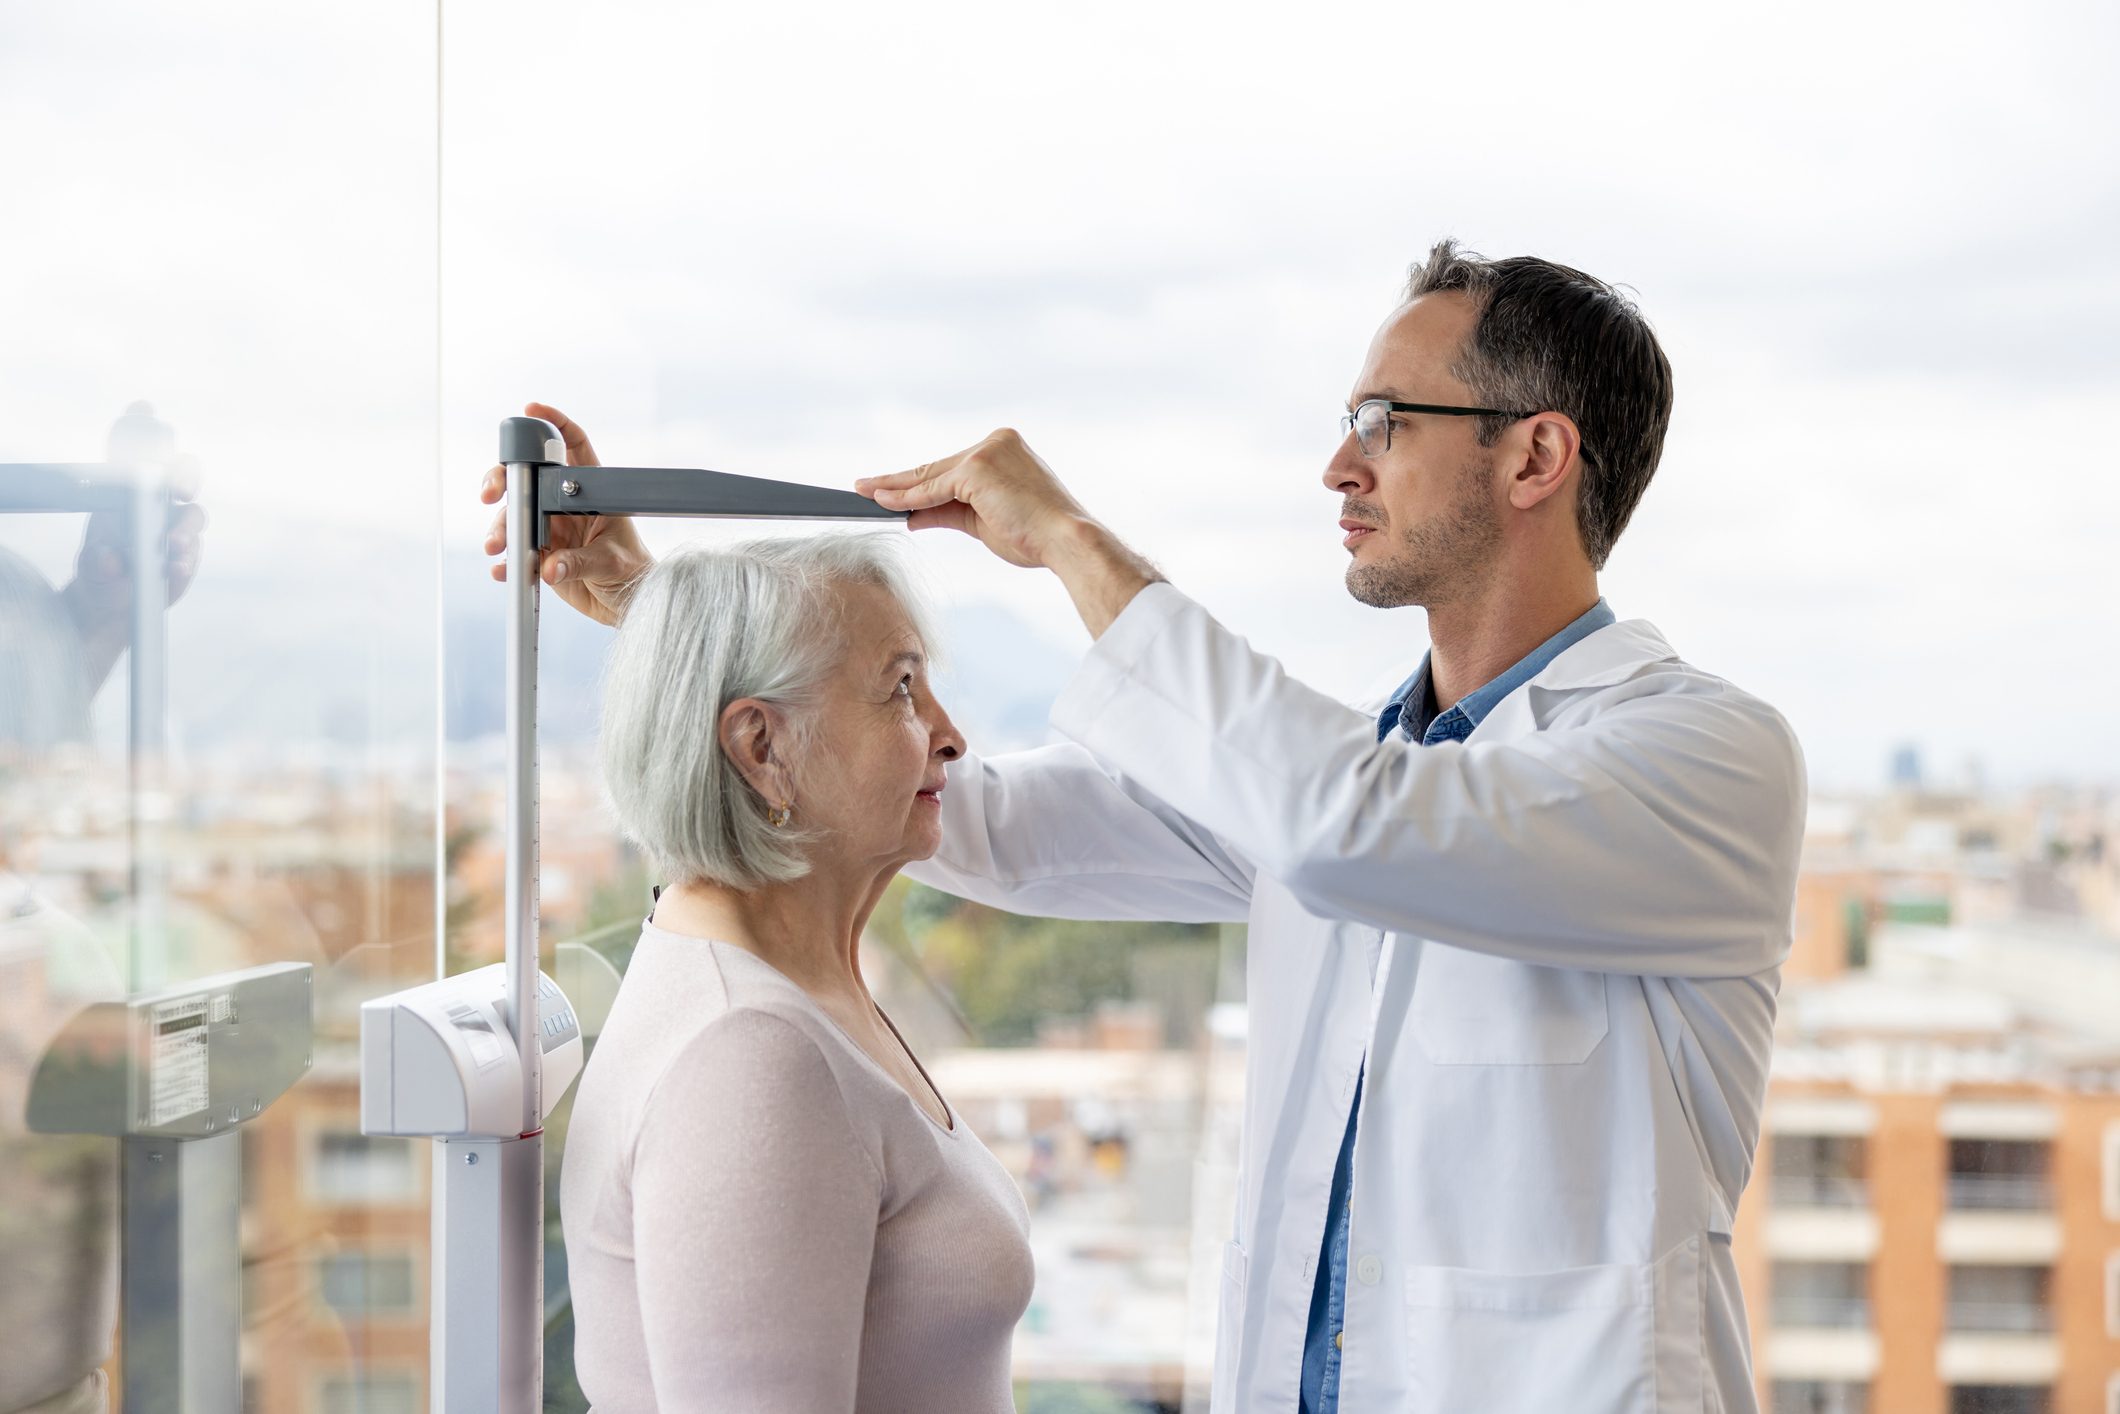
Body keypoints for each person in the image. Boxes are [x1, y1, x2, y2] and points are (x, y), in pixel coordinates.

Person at [484, 240, 1806, 1412]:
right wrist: (668, 619)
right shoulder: (1349, 776)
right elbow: (969, 810)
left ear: (1535, 454)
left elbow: (1359, 827)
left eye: (1387, 422)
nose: (1339, 465)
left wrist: (1065, 538)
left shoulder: (1698, 763)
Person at [555, 534, 1035, 1413]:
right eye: (900, 688)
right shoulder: (749, 1057)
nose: (951, 736)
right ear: (761, 747)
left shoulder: (787, 988)